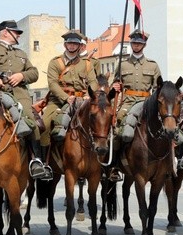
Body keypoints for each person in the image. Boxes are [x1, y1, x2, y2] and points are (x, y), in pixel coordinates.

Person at [0, 19, 47, 180]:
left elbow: (34, 73)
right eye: (16, 32)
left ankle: (36, 160)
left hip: (19, 94)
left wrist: (22, 75)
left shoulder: (21, 54)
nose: (19, 35)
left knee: (31, 120)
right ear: (6, 32)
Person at [110, 29, 162, 181]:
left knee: (167, 126)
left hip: (147, 101)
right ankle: (115, 165)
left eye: (139, 43)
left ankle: (170, 161)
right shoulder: (123, 64)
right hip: (128, 101)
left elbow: (159, 88)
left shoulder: (153, 65)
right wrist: (116, 86)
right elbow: (115, 84)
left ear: (144, 45)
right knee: (118, 124)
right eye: (134, 43)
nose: (136, 45)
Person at [40, 29, 98, 152]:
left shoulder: (87, 64)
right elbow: (52, 84)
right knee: (44, 126)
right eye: (69, 43)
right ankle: (42, 161)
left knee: (101, 124)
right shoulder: (55, 62)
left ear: (79, 46)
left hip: (82, 101)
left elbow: (93, 82)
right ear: (65, 45)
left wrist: (88, 94)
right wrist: (66, 98)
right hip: (58, 101)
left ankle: (104, 163)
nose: (72, 46)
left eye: (75, 43)